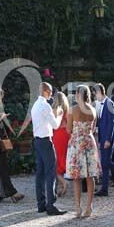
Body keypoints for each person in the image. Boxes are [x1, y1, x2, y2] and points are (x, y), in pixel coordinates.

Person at [30, 82, 66, 215]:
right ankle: (51, 205)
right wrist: (60, 114)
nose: (51, 94)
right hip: (45, 141)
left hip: (37, 141)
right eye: (50, 91)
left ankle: (41, 204)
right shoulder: (45, 105)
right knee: (51, 172)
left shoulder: (35, 105)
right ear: (45, 91)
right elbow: (56, 125)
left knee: (40, 173)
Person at [0, 84, 24, 202]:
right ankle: (12, 192)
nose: (1, 97)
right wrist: (3, 116)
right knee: (2, 166)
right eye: (1, 95)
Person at [66, 85, 101, 218]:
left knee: (76, 177)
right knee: (90, 175)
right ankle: (89, 207)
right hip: (89, 142)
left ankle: (77, 207)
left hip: (76, 142)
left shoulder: (72, 110)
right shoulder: (93, 109)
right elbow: (93, 129)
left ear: (77, 95)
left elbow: (68, 130)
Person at [52, 91, 71, 198]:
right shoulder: (68, 111)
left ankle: (63, 182)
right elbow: (69, 126)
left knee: (55, 163)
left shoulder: (55, 110)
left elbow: (53, 125)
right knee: (63, 160)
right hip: (66, 136)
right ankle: (60, 187)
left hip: (57, 136)